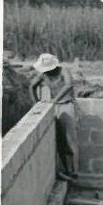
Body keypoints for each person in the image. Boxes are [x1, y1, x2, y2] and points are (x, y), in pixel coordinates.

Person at [29, 53, 79, 182]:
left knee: (69, 141)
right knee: (60, 142)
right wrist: (37, 104)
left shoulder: (63, 71)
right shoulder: (44, 75)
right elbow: (32, 86)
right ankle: (65, 169)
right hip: (54, 108)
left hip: (66, 105)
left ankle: (73, 172)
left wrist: (54, 100)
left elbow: (68, 85)